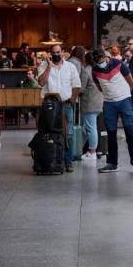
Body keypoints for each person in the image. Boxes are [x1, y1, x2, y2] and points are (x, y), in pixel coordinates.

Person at [91, 49, 133, 173]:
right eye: (97, 62)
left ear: (106, 56)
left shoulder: (119, 64)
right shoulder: (95, 71)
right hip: (109, 103)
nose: (100, 64)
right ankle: (112, 163)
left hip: (124, 100)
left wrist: (125, 93)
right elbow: (100, 87)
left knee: (129, 130)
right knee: (111, 133)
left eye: (101, 61)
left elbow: (131, 81)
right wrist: (110, 95)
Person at [37, 45, 81, 173]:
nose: (56, 54)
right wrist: (49, 66)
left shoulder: (70, 67)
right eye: (54, 53)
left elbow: (76, 85)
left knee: (69, 134)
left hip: (66, 104)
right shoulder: (44, 66)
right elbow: (41, 82)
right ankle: (54, 160)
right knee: (50, 132)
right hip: (50, 105)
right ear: (50, 54)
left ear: (62, 53)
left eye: (58, 52)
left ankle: (68, 161)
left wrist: (72, 100)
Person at [80, 52, 103, 162]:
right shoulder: (99, 69)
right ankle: (80, 149)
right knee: (87, 127)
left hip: (89, 102)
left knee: (90, 127)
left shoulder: (86, 70)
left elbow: (81, 88)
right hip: (99, 101)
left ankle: (92, 152)